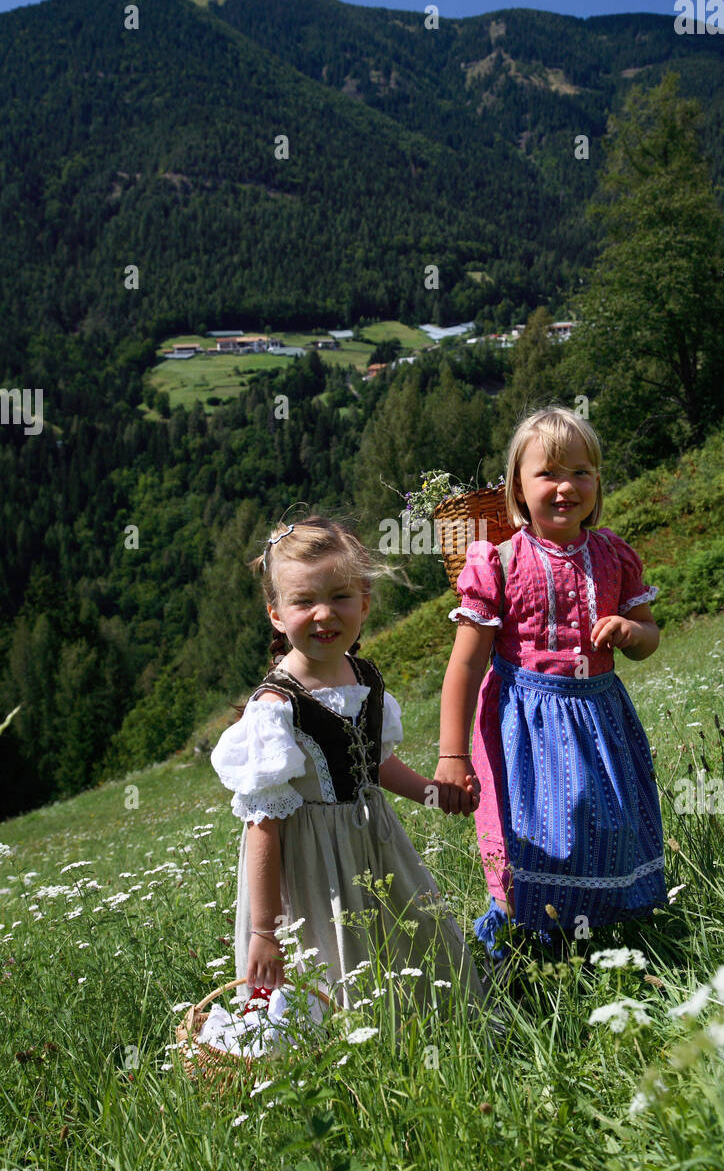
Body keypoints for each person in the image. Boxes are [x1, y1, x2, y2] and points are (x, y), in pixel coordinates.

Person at [210, 515, 483, 1021]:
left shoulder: (366, 679)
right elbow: (263, 824)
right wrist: (265, 932)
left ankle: (428, 1034)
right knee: (331, 959)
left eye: (339, 596)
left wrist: (432, 792)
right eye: (303, 601)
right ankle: (344, 1055)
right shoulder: (276, 706)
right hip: (312, 861)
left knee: (413, 934)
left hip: (376, 844)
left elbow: (374, 765)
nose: (323, 614)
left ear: (364, 602)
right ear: (275, 614)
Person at [434, 406, 667, 964]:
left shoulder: (612, 554)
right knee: (533, 838)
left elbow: (650, 637)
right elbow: (465, 664)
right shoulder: (499, 560)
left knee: (604, 825)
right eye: (548, 473)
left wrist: (633, 631)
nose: (566, 486)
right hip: (524, 725)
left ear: (598, 482)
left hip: (599, 717)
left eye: (581, 472)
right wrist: (451, 753)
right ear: (518, 485)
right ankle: (519, 953)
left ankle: (601, 944)